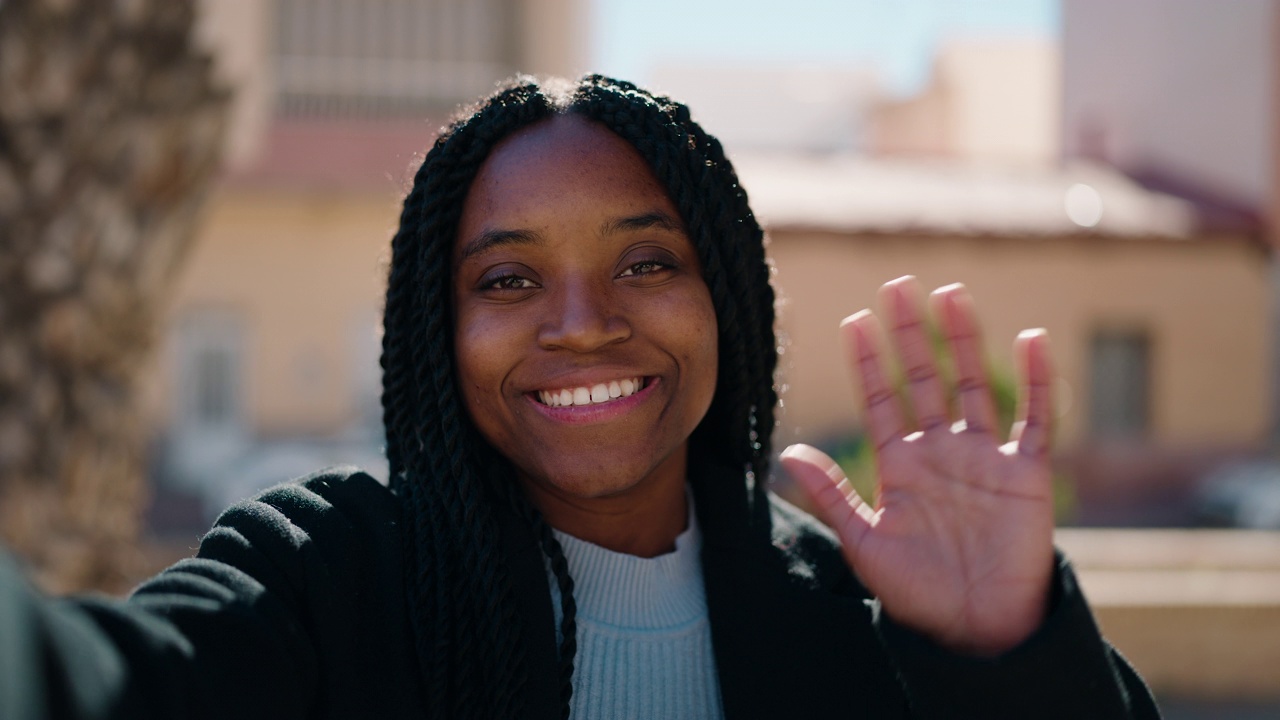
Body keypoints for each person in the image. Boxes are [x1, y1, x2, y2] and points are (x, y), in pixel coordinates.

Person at [0, 75, 1159, 719]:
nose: (579, 320)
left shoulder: (855, 625)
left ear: (728, 304)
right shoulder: (329, 575)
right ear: (434, 333)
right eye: (505, 279)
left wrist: (1008, 660)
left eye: (646, 262)